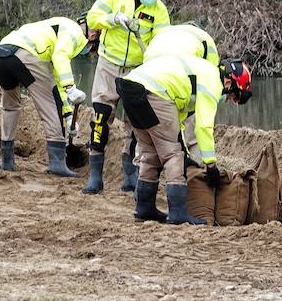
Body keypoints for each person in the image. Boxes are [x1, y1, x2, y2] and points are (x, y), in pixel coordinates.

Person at [78, 21, 218, 194]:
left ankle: (138, 187)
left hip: (145, 74)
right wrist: (209, 162)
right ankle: (192, 179)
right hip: (171, 80)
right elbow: (209, 75)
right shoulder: (206, 42)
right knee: (174, 147)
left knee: (145, 137)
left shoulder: (163, 35)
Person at [116, 54, 252, 224]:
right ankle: (178, 213)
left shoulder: (202, 71)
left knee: (150, 152)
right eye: (234, 96)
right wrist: (211, 164)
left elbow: (178, 118)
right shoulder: (212, 83)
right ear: (229, 83)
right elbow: (203, 127)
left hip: (129, 87)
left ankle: (144, 208)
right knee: (173, 154)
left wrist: (186, 150)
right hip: (155, 92)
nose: (229, 100)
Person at [81, 0, 172, 195]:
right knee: (101, 117)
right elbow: (92, 17)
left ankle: (130, 175)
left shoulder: (159, 11)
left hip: (138, 70)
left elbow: (162, 45)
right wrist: (113, 20)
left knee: (135, 124)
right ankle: (95, 175)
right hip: (108, 63)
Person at [0, 16, 89, 177]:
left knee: (10, 106)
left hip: (1, 54)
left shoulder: (51, 28)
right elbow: (60, 58)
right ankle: (57, 162)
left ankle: (7, 160)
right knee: (51, 104)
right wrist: (70, 88)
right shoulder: (75, 32)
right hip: (25, 55)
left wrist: (69, 115)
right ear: (91, 35)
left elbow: (57, 81)